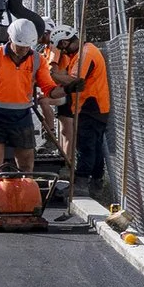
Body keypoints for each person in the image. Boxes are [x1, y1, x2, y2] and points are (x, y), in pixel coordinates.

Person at [0, 19, 59, 173]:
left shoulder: (37, 59)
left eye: (27, 46)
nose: (24, 49)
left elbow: (49, 89)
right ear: (10, 38)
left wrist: (69, 88)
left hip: (21, 117)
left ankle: (24, 194)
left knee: (26, 166)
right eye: (20, 45)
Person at [45, 26, 112, 195]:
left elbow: (75, 81)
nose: (63, 52)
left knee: (85, 146)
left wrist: (52, 75)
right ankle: (96, 181)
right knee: (94, 147)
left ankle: (81, 183)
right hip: (94, 106)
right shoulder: (81, 53)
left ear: (66, 42)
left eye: (62, 48)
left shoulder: (86, 54)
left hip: (91, 105)